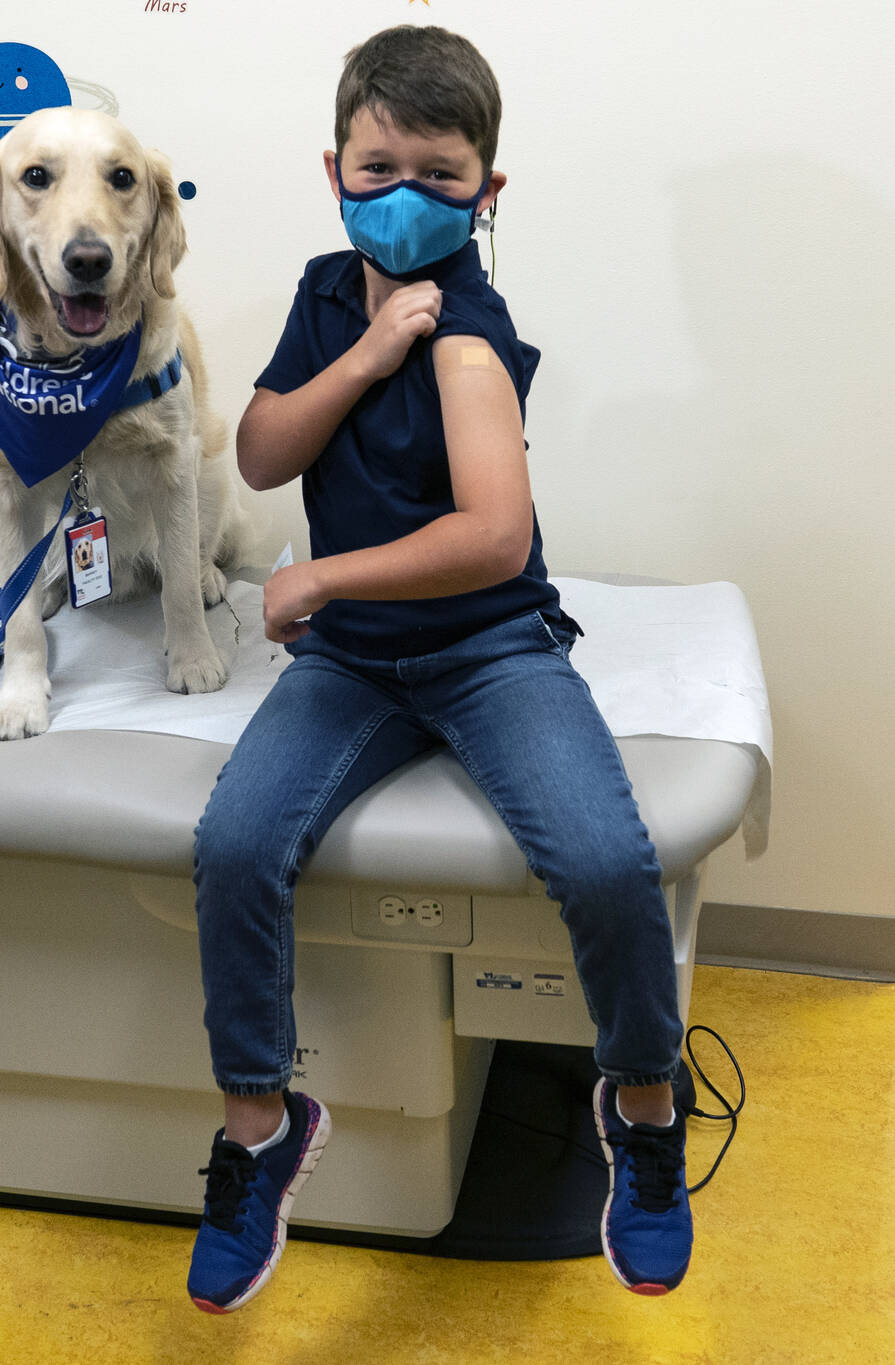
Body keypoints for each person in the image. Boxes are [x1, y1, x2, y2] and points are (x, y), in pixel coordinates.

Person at [184, 25, 692, 1313]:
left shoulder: (469, 334)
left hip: (484, 651)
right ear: (333, 167)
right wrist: (361, 355)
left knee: (602, 861)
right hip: (353, 669)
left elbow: (492, 538)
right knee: (237, 845)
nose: (402, 195)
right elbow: (255, 455)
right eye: (376, 165)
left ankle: (640, 1109)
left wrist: (316, 578)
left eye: (439, 173)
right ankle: (259, 1129)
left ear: (487, 191)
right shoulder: (322, 293)